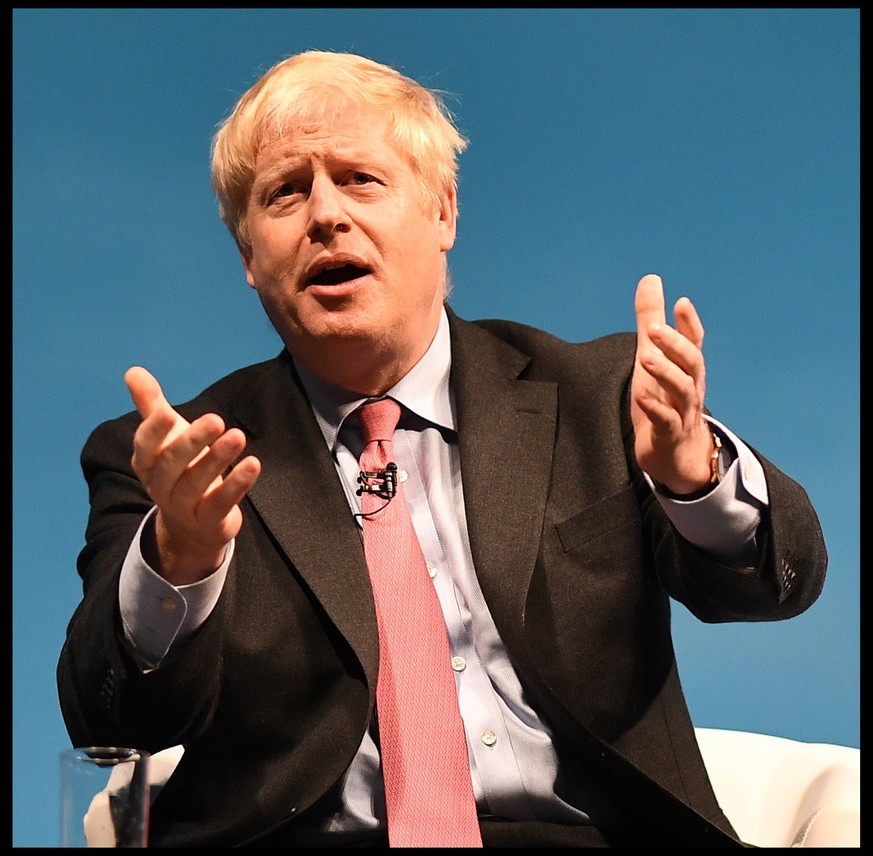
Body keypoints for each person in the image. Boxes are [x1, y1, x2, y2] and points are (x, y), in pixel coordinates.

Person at [57, 49, 827, 848]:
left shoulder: (598, 395)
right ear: (250, 259)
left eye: (359, 179)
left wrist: (692, 475)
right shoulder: (171, 460)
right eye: (286, 192)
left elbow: (777, 584)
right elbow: (108, 716)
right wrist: (180, 559)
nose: (324, 214)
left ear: (443, 213)